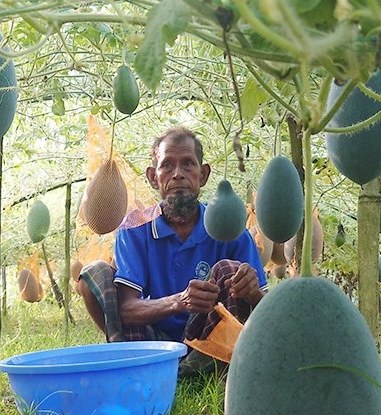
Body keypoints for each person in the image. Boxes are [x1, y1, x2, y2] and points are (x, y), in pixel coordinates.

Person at [76, 127, 267, 375]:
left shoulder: (229, 228)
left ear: (203, 175)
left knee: (229, 270)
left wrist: (252, 293)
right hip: (153, 342)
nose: (178, 174)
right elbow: (126, 310)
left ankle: (224, 371)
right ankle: (127, 360)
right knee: (95, 272)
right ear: (153, 178)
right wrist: (180, 301)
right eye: (167, 165)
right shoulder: (135, 227)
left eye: (188, 164)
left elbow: (265, 307)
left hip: (209, 339)